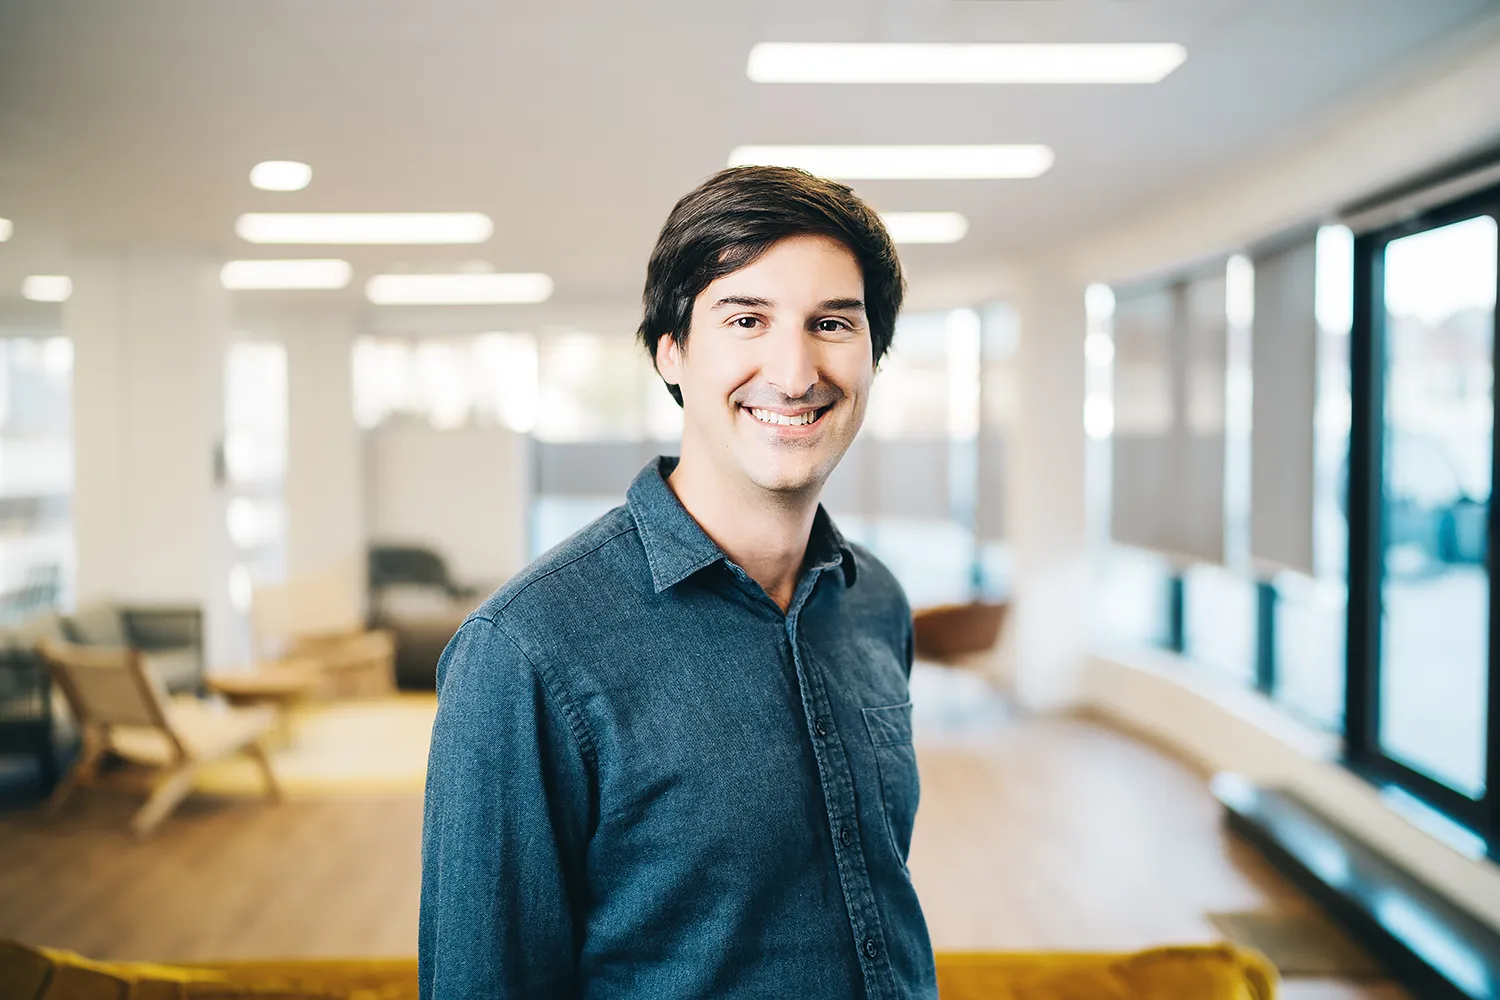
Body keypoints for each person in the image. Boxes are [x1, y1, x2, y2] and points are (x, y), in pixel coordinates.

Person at [419, 165, 936, 999]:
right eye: (746, 319)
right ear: (672, 351)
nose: (796, 373)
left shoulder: (872, 600)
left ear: (873, 353)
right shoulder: (524, 653)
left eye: (832, 323)